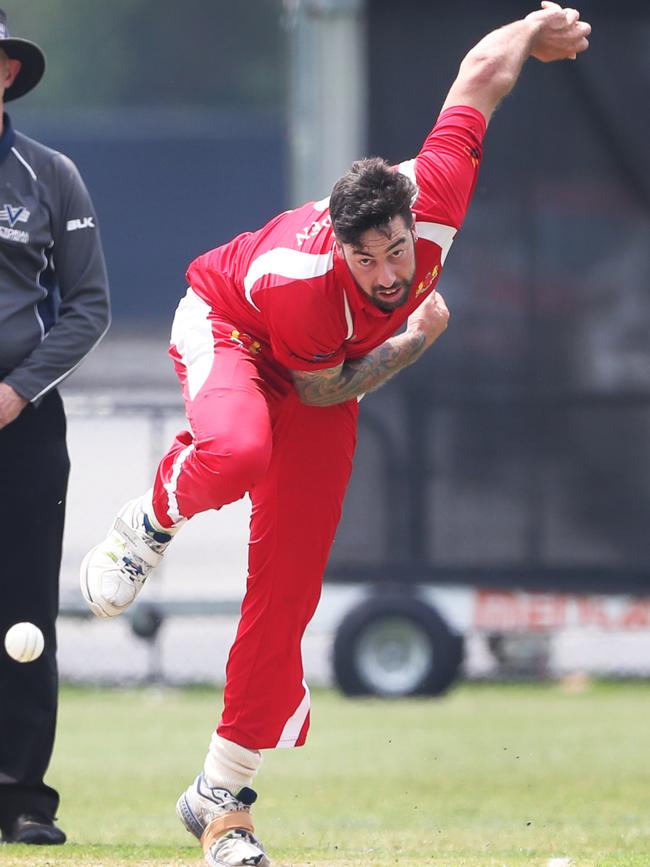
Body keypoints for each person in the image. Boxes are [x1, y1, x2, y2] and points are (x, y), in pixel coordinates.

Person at [80, 4, 589, 866]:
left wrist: (532, 27)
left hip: (324, 370)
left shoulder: (434, 195)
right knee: (239, 452)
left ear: (407, 218)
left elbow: (480, 75)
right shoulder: (306, 281)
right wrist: (413, 339)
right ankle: (152, 517)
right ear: (340, 249)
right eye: (371, 260)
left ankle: (220, 797)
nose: (391, 274)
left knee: (289, 589)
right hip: (236, 329)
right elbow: (322, 387)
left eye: (397, 252)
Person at [0, 9, 110, 847]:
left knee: (24, 609)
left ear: (8, 74)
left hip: (24, 427)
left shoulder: (49, 174)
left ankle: (24, 796)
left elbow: (87, 307)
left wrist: (17, 393)